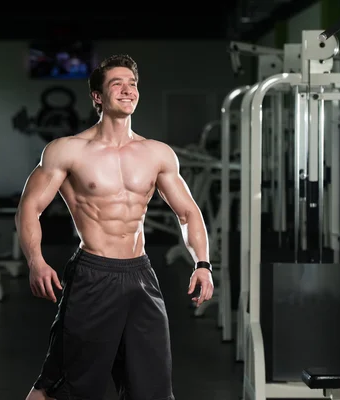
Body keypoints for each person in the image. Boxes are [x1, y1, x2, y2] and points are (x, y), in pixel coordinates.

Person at [15, 54, 214, 400]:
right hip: (93, 275)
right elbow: (29, 207)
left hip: (141, 276)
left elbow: (188, 213)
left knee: (152, 390)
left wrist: (203, 263)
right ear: (97, 96)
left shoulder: (157, 154)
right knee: (64, 387)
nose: (127, 90)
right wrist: (36, 260)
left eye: (132, 83)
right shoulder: (67, 150)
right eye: (116, 84)